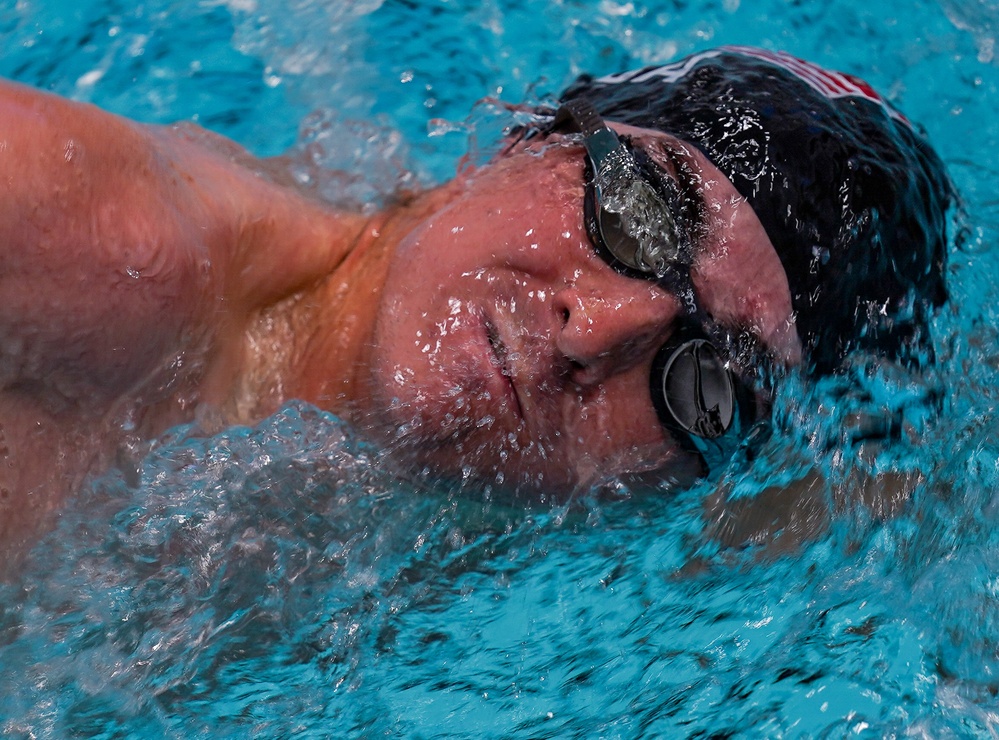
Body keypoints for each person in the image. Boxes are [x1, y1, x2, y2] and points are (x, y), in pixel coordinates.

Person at [0, 46, 950, 561]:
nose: (602, 332)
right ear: (527, 135)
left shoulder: (471, 515)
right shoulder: (94, 251)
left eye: (703, 382)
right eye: (636, 215)